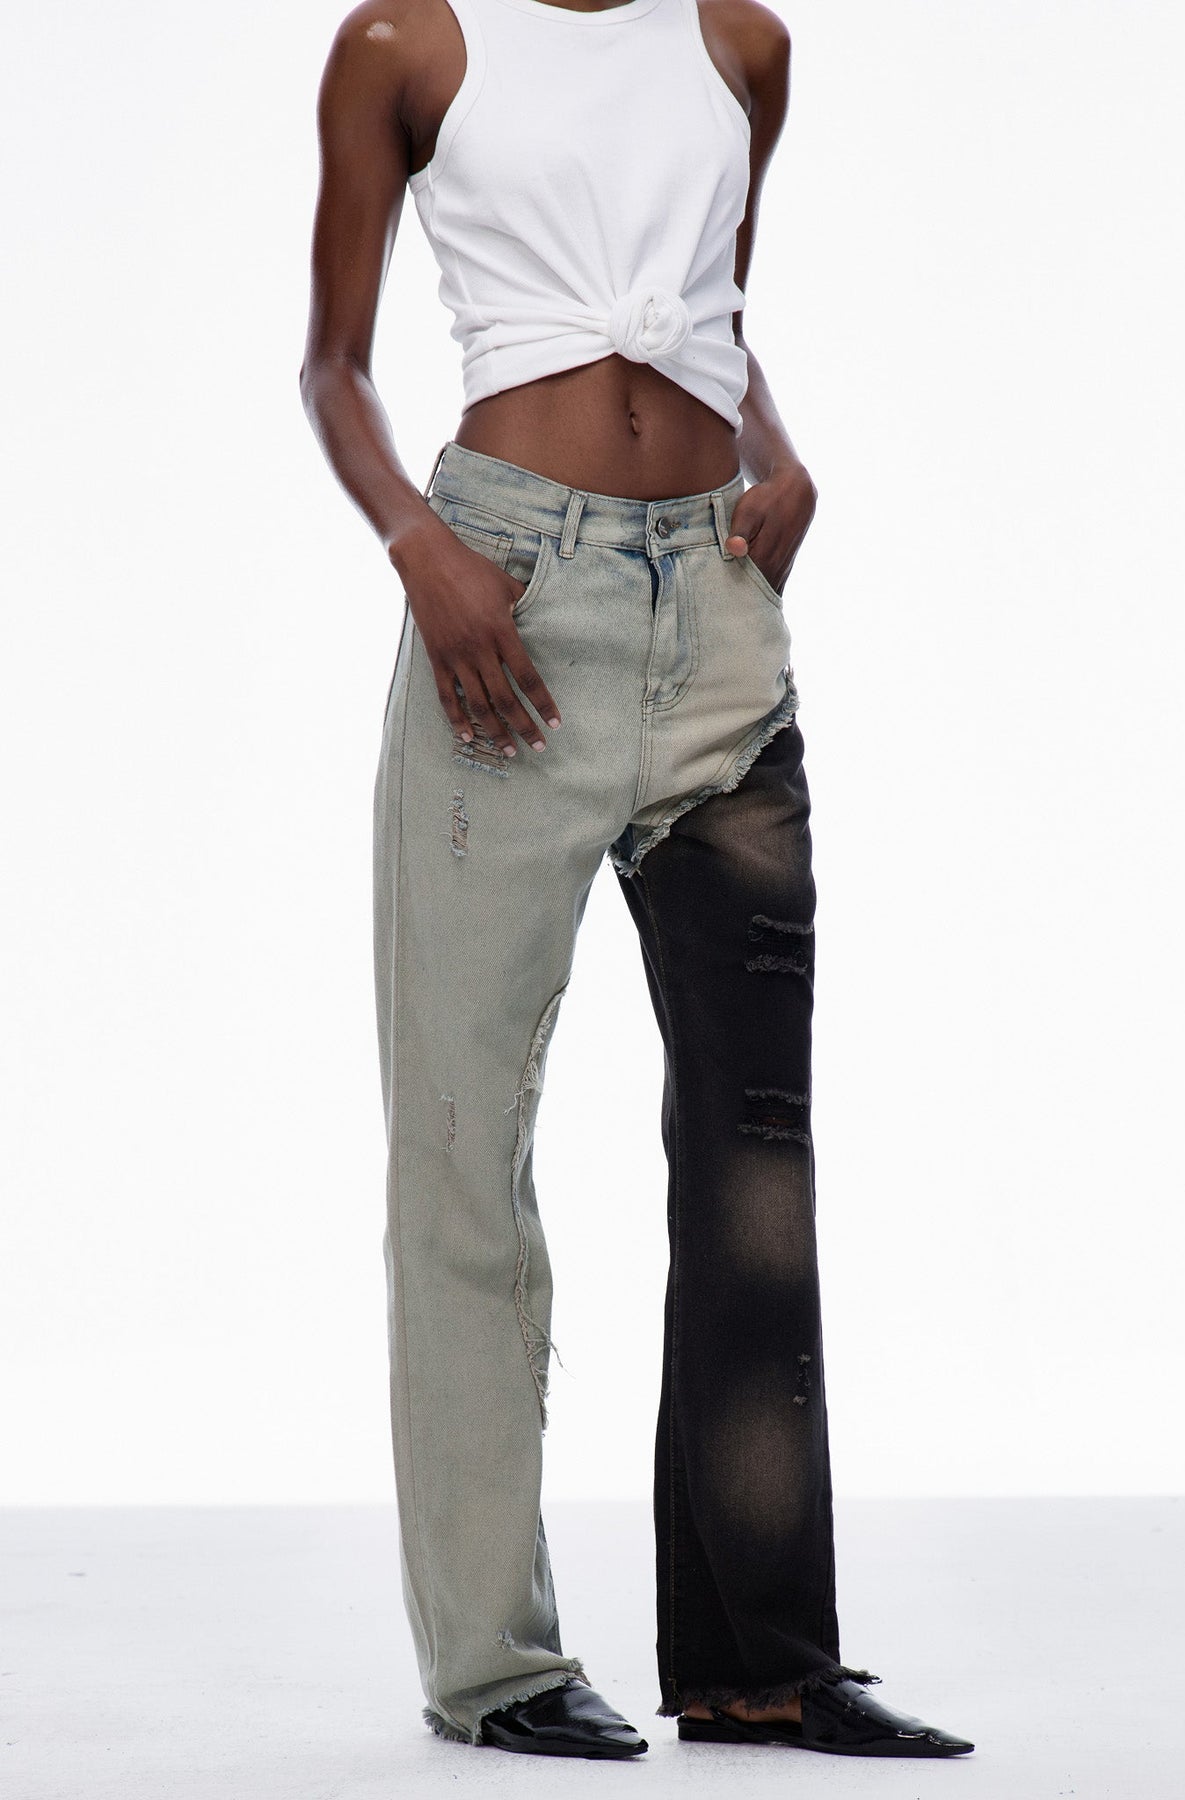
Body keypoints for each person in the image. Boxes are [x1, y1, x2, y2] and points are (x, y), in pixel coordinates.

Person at [299, 0, 975, 1763]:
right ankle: (494, 1662)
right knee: (465, 1154)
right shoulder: (406, 42)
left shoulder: (740, 42)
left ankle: (762, 1659)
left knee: (756, 1155)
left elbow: (707, 323)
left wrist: (782, 452)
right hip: (506, 615)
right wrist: (421, 548)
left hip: (718, 633)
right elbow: (332, 369)